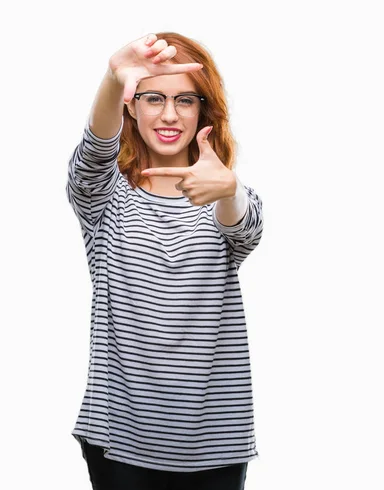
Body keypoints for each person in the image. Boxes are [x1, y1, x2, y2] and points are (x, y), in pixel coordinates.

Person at [66, 32, 264, 490]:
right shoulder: (105, 197)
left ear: (203, 110)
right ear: (131, 107)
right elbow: (93, 157)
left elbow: (247, 231)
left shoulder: (225, 195)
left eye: (185, 100)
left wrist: (229, 189)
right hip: (118, 433)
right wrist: (114, 78)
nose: (170, 115)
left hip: (216, 437)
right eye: (153, 97)